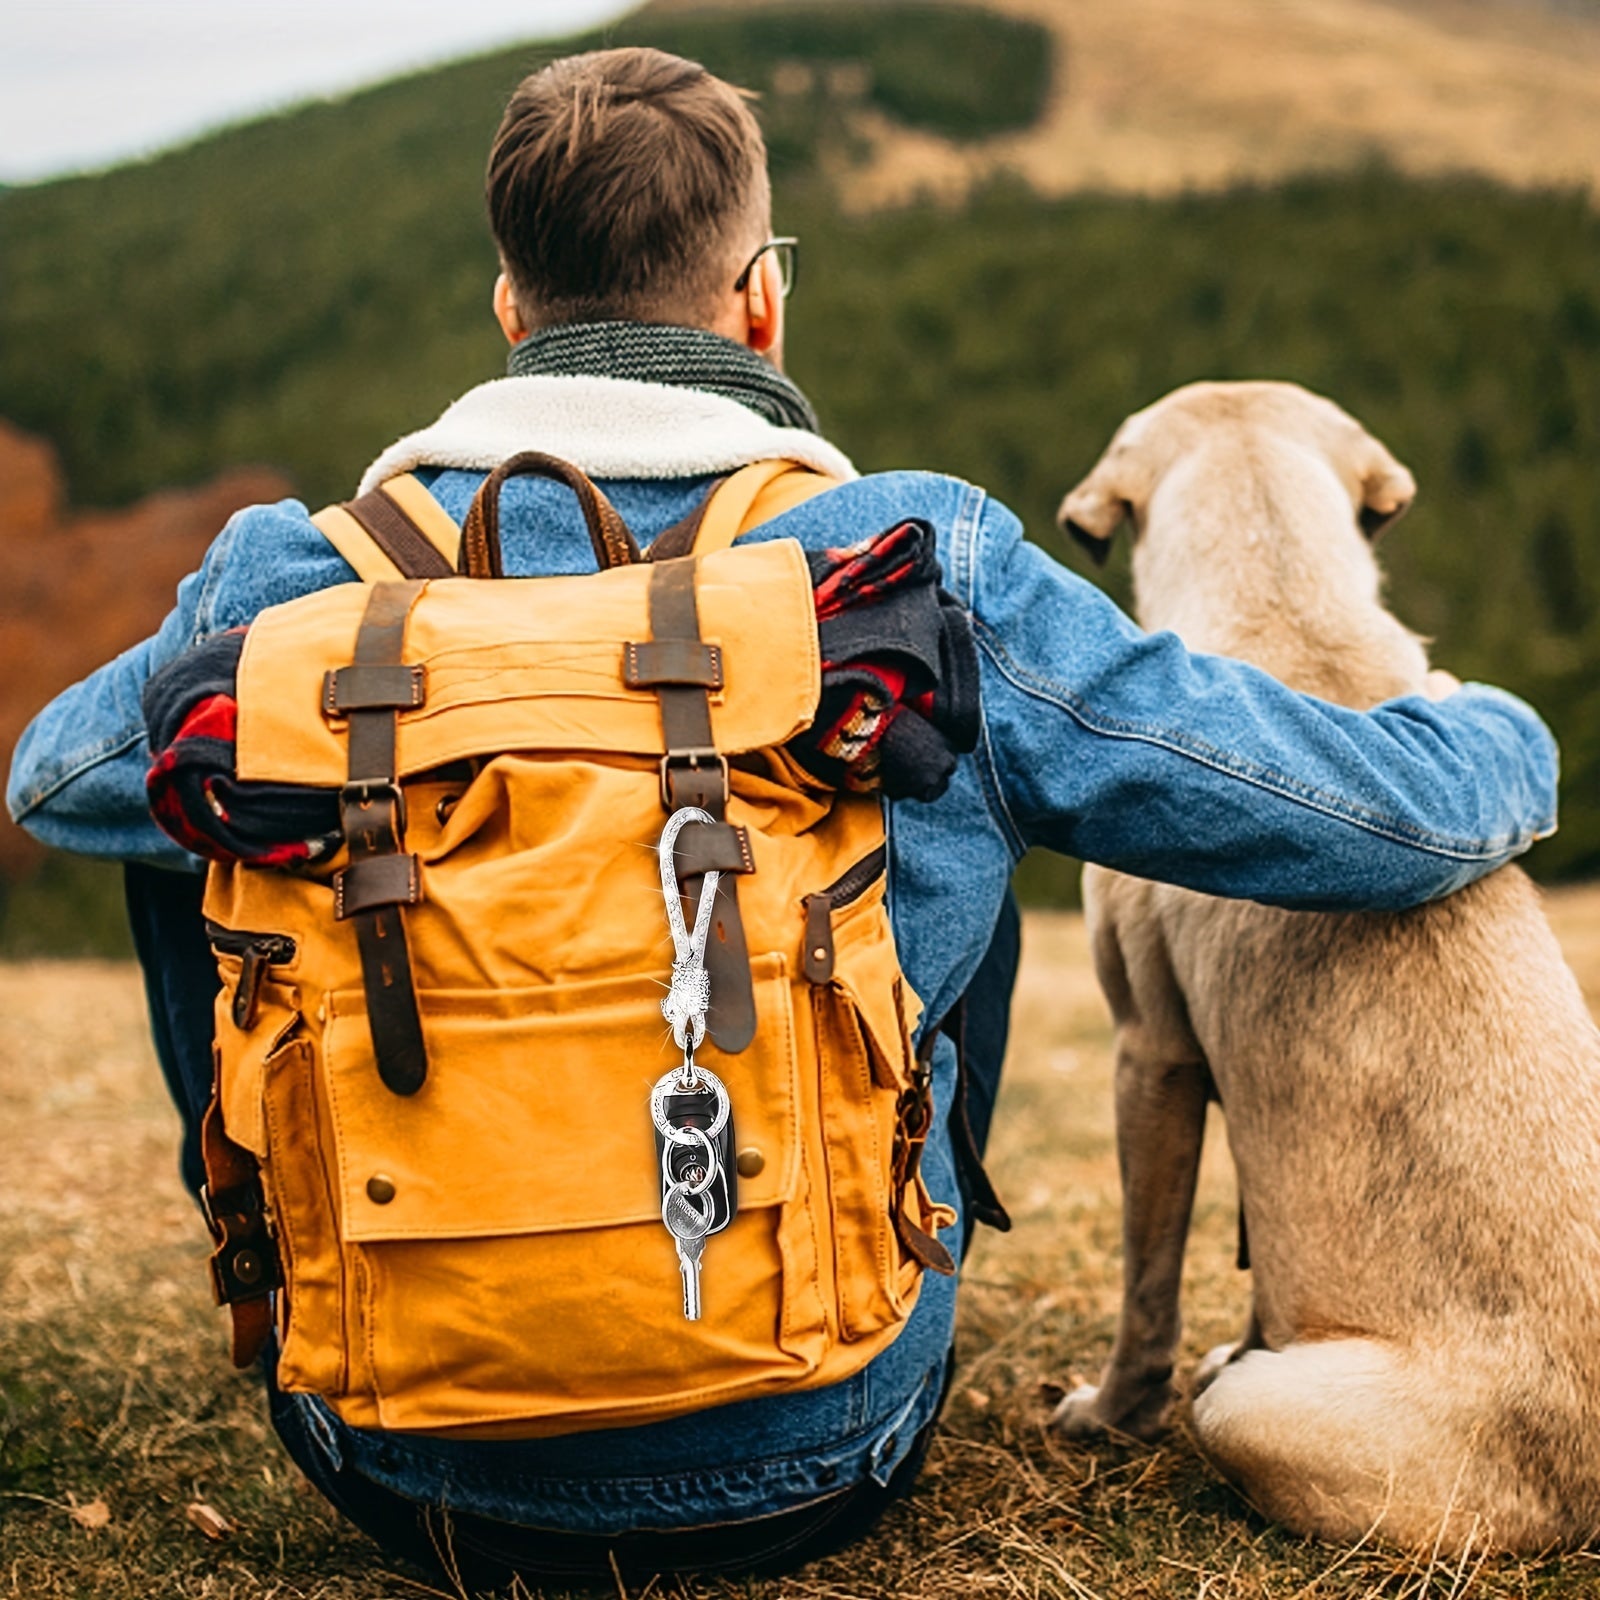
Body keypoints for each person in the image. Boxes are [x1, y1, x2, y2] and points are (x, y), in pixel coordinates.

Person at [6, 45, 1559, 1589]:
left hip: (397, 1457)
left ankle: (296, 1261)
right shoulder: (906, 567)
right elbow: (1379, 820)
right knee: (952, 771)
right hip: (817, 1440)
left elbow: (57, 780)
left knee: (197, 787)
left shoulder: (297, 578)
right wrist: (1497, 728)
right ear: (760, 301)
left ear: (510, 309)